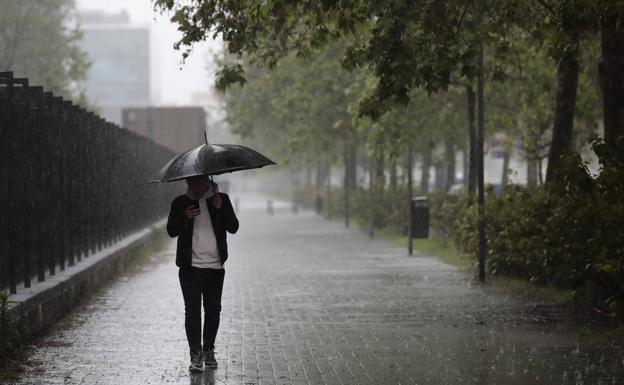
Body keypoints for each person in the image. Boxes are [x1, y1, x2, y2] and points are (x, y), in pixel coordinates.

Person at [166, 175, 239, 372]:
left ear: (208, 181)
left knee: (213, 311)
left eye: (199, 183)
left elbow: (234, 227)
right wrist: (184, 217)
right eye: (191, 183)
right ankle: (195, 354)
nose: (196, 187)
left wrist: (221, 208)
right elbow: (171, 231)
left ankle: (208, 350)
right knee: (192, 312)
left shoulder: (220, 198)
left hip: (215, 267)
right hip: (190, 269)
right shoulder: (180, 203)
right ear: (187, 183)